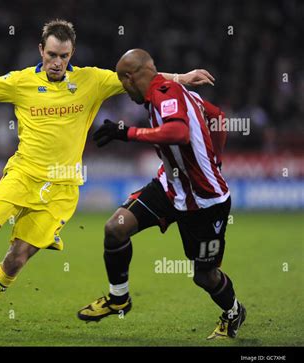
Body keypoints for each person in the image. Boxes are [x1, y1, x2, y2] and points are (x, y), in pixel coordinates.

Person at [0, 20, 214, 330]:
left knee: (17, 258)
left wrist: (184, 76)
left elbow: (146, 77)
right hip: (23, 175)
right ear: (41, 50)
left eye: (64, 56)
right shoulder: (19, 81)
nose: (57, 62)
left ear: (72, 54)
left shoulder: (91, 80)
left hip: (63, 189)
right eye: (52, 54)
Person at [77, 49, 246, 340]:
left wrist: (126, 133)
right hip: (169, 187)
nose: (123, 91)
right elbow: (217, 116)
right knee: (115, 228)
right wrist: (215, 157)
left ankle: (233, 311)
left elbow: (178, 133)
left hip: (205, 203)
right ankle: (119, 298)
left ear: (130, 78)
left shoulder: (165, 95)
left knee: (204, 276)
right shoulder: (175, 91)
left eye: (122, 82)